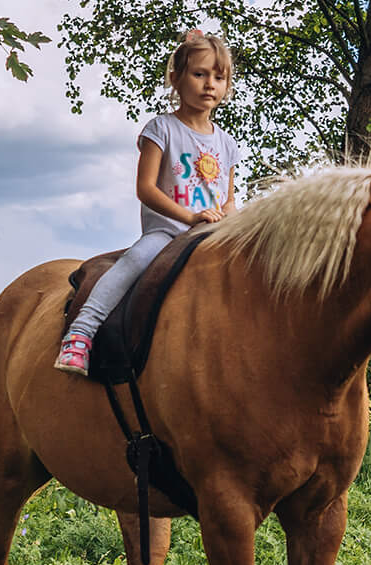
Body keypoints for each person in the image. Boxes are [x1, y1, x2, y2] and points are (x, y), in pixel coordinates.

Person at [56, 31, 240, 376]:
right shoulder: (162, 129)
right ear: (176, 78)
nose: (209, 85)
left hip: (212, 236)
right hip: (168, 234)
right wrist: (190, 216)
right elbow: (146, 189)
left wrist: (228, 217)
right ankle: (80, 335)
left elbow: (228, 198)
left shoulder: (227, 143)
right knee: (133, 261)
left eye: (219, 77)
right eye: (199, 74)